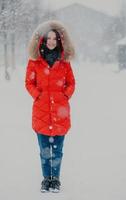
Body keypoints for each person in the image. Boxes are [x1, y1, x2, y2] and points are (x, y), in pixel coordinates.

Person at [25, 20, 76, 193]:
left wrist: (64, 95)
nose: (52, 41)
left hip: (60, 113)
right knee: (44, 150)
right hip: (41, 113)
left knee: (58, 150)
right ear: (43, 41)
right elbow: (29, 82)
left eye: (55, 38)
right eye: (49, 38)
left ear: (59, 41)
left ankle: (56, 180)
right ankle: (46, 179)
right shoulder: (35, 62)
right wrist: (37, 95)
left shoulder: (64, 62)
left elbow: (71, 83)